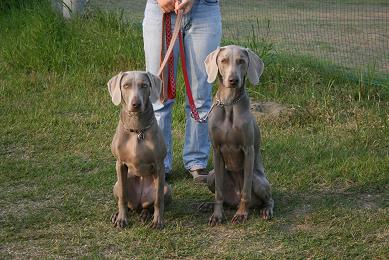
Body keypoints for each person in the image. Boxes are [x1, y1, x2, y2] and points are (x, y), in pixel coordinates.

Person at [142, 0, 222, 182]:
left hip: (204, 9)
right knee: (159, 94)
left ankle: (196, 161)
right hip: (160, 9)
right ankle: (159, 162)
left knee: (200, 95)